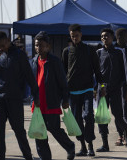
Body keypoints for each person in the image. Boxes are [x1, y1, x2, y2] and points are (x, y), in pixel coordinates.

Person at [0, 31, 39, 160]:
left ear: (7, 40)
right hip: (0, 99)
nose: (0, 48)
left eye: (2, 45)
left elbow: (29, 76)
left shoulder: (19, 55)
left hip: (15, 99)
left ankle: (28, 156)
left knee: (19, 131)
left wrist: (36, 96)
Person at [61, 24, 105, 157]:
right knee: (77, 120)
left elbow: (97, 70)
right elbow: (63, 73)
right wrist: (64, 93)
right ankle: (83, 147)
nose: (74, 38)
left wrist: (101, 87)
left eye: (77, 35)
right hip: (72, 92)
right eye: (72, 36)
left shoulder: (89, 50)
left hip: (87, 89)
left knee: (88, 116)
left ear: (81, 35)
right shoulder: (66, 52)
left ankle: (90, 145)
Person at [30, 31, 75, 160]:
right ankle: (45, 157)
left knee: (54, 129)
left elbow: (63, 82)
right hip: (37, 104)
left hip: (51, 102)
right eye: (36, 45)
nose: (38, 48)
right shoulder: (33, 61)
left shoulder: (54, 61)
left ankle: (69, 146)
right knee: (39, 134)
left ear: (48, 46)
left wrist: (65, 99)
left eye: (41, 45)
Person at [96, 28, 127, 152]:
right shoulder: (99, 53)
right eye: (102, 36)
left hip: (116, 89)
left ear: (112, 38)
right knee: (102, 117)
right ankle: (105, 144)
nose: (104, 38)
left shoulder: (119, 52)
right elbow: (96, 73)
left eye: (107, 36)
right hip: (102, 90)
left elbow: (125, 73)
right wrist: (98, 88)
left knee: (118, 115)